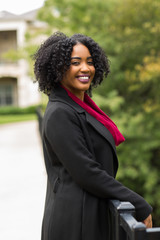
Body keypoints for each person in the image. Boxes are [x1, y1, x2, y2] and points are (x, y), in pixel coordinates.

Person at [33, 31, 152, 240]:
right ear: (58, 68)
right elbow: (87, 172)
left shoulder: (81, 107)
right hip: (75, 222)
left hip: (88, 212)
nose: (85, 68)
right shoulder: (60, 112)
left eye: (90, 61)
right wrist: (139, 203)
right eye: (75, 62)